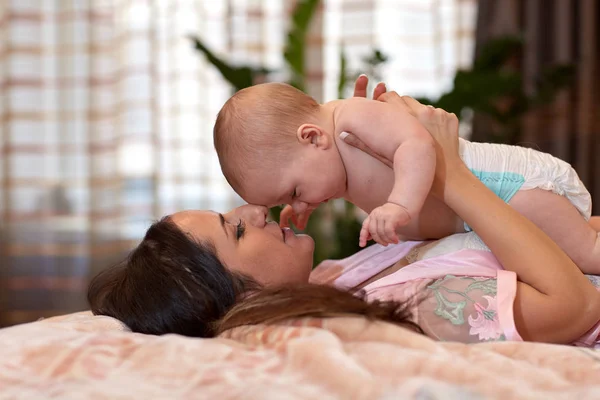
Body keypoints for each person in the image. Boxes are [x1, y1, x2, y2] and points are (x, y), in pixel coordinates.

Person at [88, 81, 600, 346]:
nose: (261, 213)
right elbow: (576, 306)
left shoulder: (338, 277)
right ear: (245, 294)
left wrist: (370, 166)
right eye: (237, 229)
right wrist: (452, 177)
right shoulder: (398, 312)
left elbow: (468, 242)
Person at [212, 77, 600, 274]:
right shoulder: (330, 161)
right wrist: (307, 203)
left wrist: (400, 203)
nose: (296, 203)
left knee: (585, 254)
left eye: (294, 191)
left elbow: (417, 145)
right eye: (286, 202)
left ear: (312, 138)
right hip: (483, 211)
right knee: (581, 240)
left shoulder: (352, 118)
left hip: (509, 189)